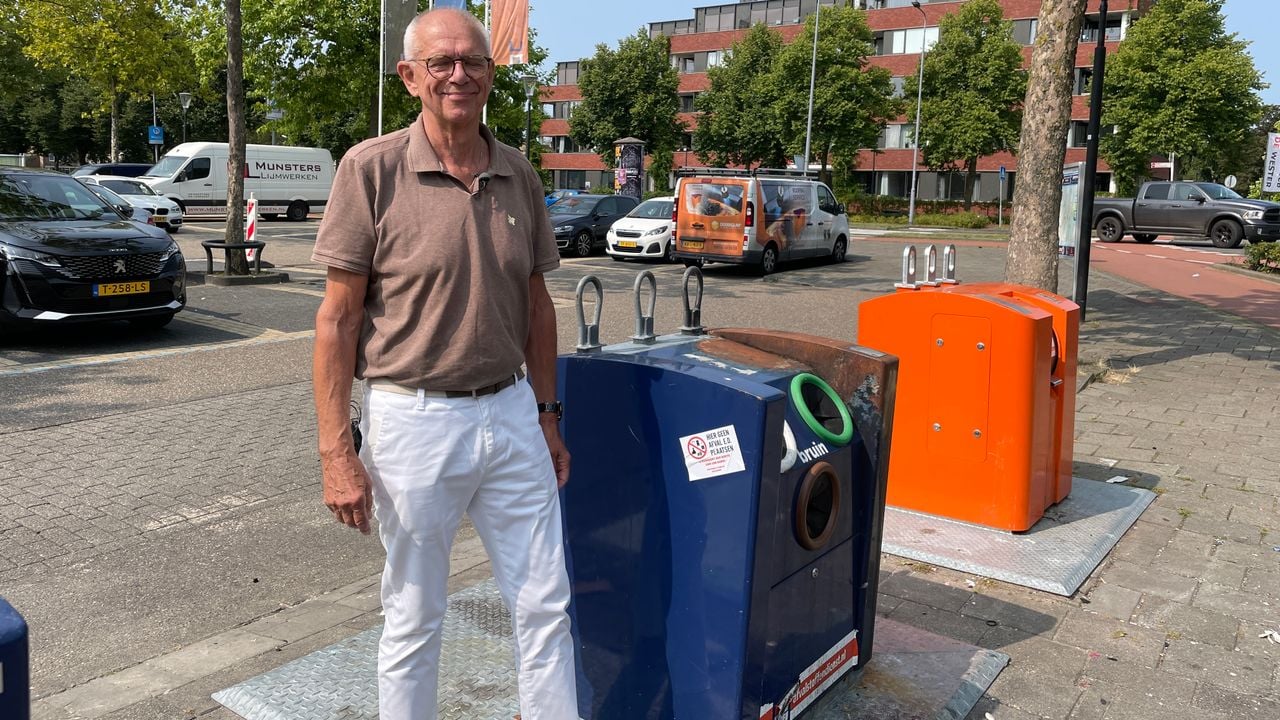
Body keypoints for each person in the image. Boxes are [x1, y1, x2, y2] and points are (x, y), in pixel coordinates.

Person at [310, 7, 578, 720]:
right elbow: (335, 321)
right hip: (413, 419)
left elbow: (539, 307)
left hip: (513, 413)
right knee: (414, 613)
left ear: (491, 73)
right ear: (409, 77)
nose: (460, 75)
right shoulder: (370, 170)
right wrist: (338, 452)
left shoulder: (517, 171)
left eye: (474, 62)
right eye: (441, 63)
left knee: (546, 603)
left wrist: (549, 418)